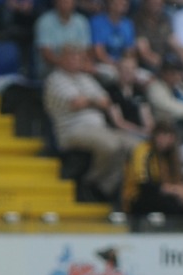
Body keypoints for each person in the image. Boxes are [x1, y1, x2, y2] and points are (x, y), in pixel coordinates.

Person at [43, 45, 139, 203]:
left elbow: (106, 101)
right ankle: (90, 183)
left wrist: (89, 101)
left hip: (99, 129)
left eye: (78, 57)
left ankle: (104, 189)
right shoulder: (55, 79)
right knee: (111, 145)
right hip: (72, 130)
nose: (75, 60)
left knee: (135, 146)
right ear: (61, 59)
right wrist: (94, 101)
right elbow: (76, 103)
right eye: (70, 57)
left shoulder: (86, 79)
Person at [121, 119, 183, 219]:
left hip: (162, 193)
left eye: (169, 135)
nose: (166, 139)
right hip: (137, 197)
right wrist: (175, 190)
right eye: (163, 134)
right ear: (155, 135)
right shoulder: (143, 151)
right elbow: (145, 185)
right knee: (173, 205)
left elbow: (175, 180)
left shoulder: (169, 156)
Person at [34, 0, 92, 79]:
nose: (65, 4)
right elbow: (46, 54)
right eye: (62, 1)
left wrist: (79, 64)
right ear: (56, 3)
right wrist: (67, 64)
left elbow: (85, 50)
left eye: (68, 2)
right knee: (71, 90)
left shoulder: (81, 21)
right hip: (52, 69)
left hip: (78, 68)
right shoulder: (44, 21)